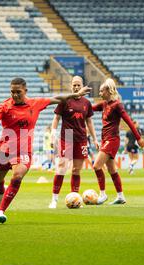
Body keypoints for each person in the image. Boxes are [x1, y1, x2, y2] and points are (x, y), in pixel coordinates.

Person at [0, 77, 91, 224]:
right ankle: (1, 191)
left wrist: (74, 95)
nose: (15, 95)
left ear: (25, 91)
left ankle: (0, 212)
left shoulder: (35, 104)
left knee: (17, 177)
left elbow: (56, 98)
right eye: (12, 92)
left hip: (23, 152)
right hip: (4, 151)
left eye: (18, 92)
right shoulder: (4, 106)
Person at [48, 76, 100, 209]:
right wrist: (53, 134)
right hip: (68, 137)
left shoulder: (86, 103)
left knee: (76, 170)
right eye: (74, 85)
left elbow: (89, 122)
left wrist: (94, 138)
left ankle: (75, 199)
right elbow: (57, 118)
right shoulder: (65, 100)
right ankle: (54, 199)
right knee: (61, 168)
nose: (76, 87)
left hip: (81, 138)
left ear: (82, 85)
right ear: (71, 86)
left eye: (78, 85)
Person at [91, 79, 144, 205]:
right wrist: (78, 102)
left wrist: (138, 138)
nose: (99, 93)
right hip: (105, 140)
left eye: (101, 91)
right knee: (112, 170)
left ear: (108, 91)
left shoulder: (117, 105)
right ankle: (120, 196)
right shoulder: (104, 104)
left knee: (96, 166)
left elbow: (128, 121)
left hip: (112, 140)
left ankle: (102, 195)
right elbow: (90, 108)